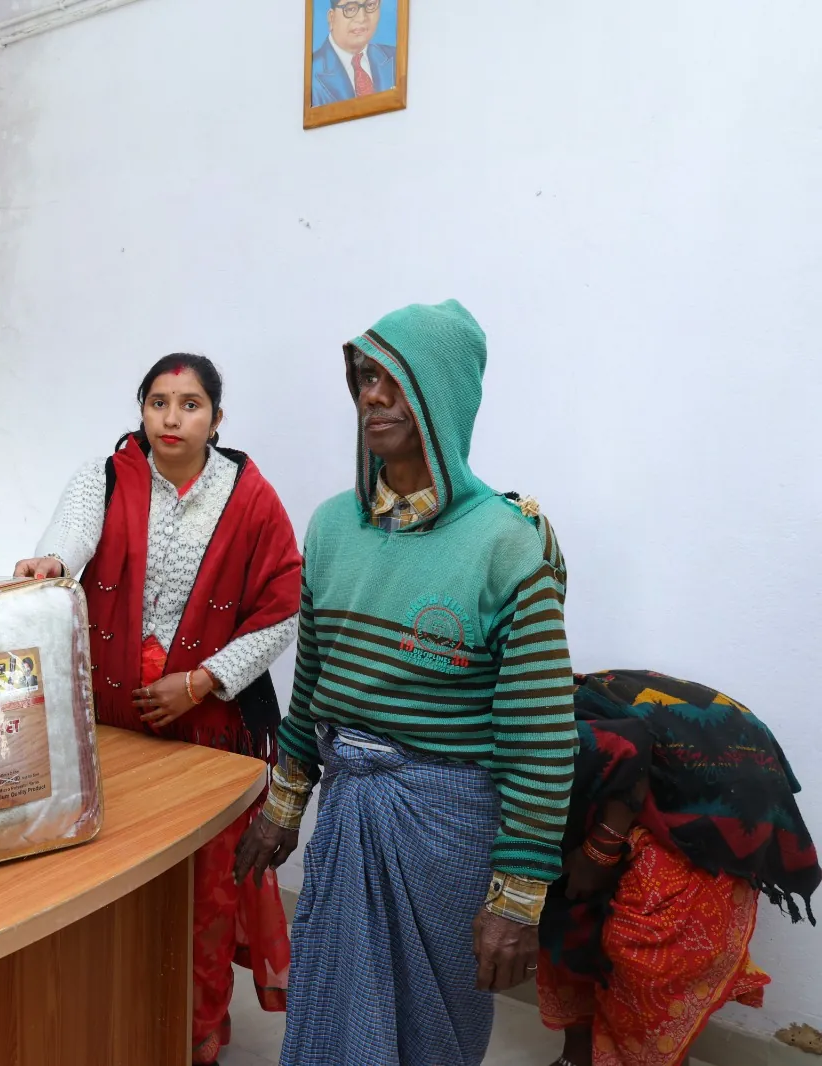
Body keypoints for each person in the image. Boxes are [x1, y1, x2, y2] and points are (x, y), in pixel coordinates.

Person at [235, 300, 578, 1066]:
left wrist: (517, 901)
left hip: (448, 831)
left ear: (443, 395)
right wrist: (283, 808)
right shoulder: (331, 528)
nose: (372, 396)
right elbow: (310, 693)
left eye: (396, 380)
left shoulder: (504, 544)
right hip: (350, 807)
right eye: (363, 378)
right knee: (333, 1018)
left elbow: (541, 742)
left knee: (432, 1033)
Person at [16, 355, 302, 1066]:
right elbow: (69, 540)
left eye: (191, 404)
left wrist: (203, 681)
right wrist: (49, 564)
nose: (172, 418)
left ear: (216, 418)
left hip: (205, 737)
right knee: (108, 887)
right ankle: (116, 1032)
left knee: (202, 901)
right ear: (141, 410)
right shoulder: (106, 476)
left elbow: (280, 613)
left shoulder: (249, 497)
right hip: (109, 724)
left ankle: (193, 1041)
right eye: (159, 403)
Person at [537, 670, 819, 1066]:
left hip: (708, 813)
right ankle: (577, 1058)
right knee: (563, 911)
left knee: (648, 956)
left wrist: (600, 850)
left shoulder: (544, 723)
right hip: (646, 787)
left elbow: (630, 747)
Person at [310, 0, 397, 107]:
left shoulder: (396, 57)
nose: (362, 18)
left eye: (370, 5)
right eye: (350, 8)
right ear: (331, 17)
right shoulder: (309, 73)